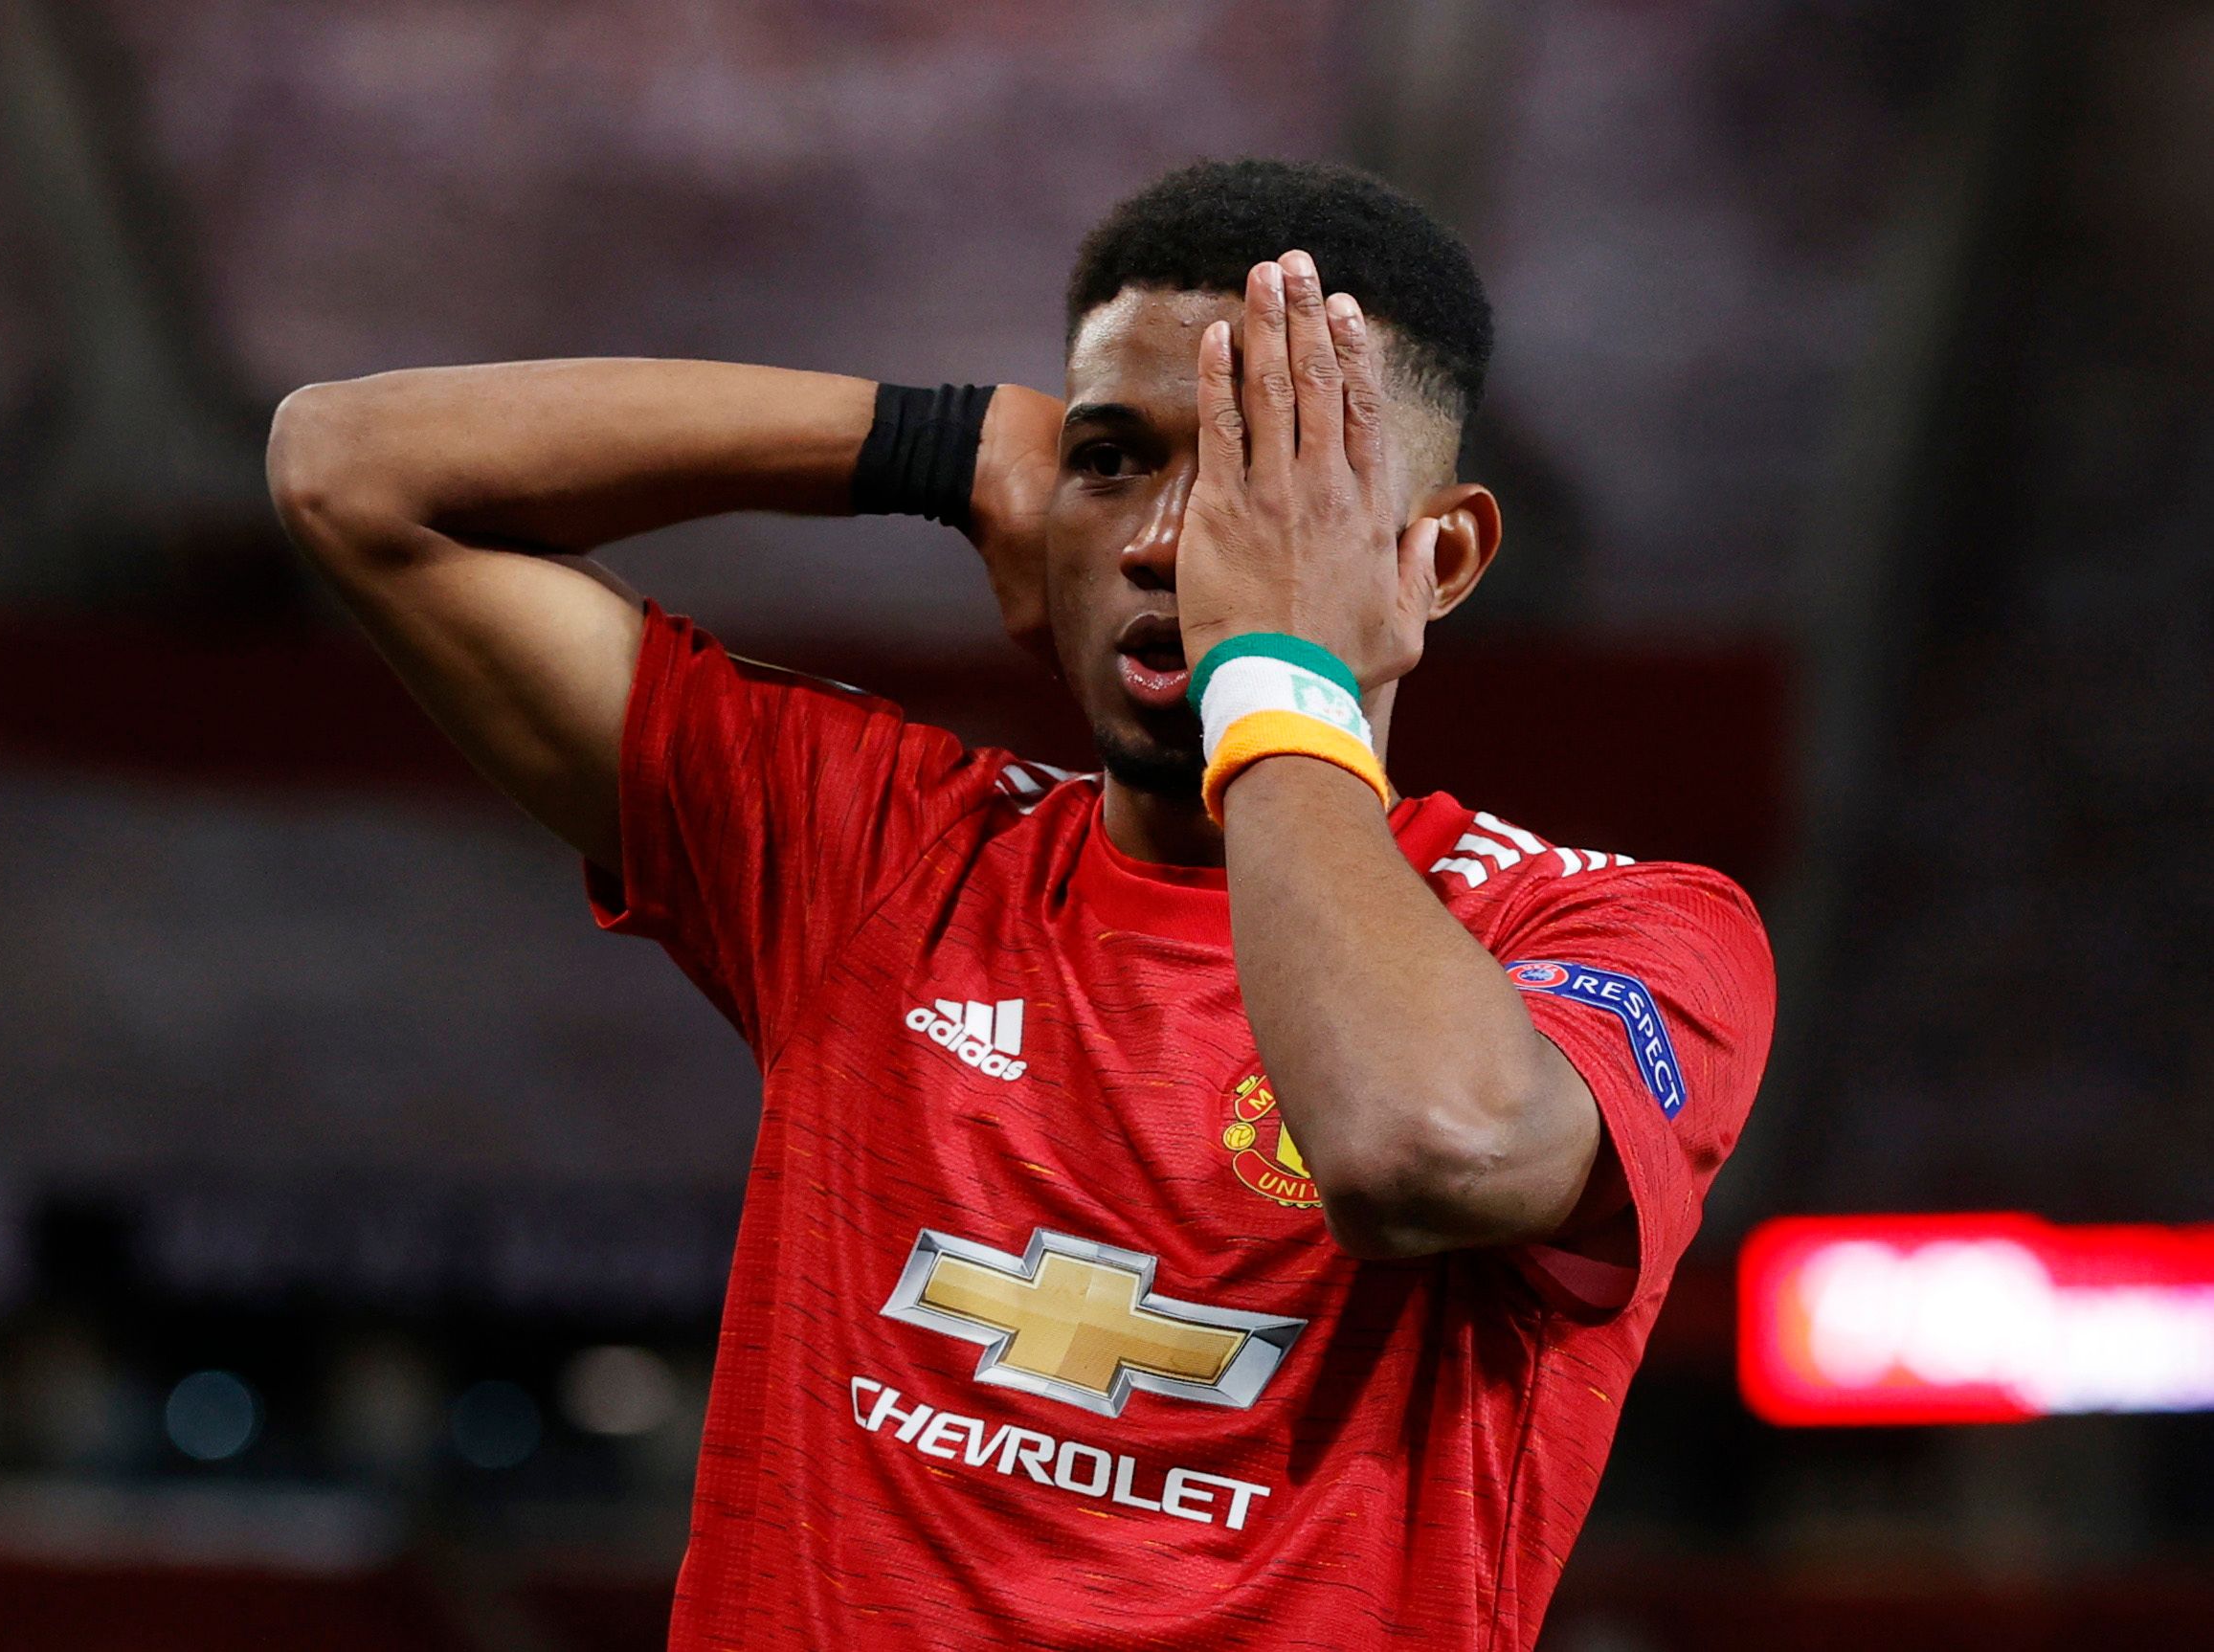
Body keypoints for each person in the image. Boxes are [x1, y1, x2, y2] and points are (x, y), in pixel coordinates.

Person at [267, 158, 1775, 1651]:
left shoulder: (1609, 932)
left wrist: (1273, 670)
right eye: (1112, 460)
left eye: (1266, 479)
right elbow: (353, 467)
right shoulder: (877, 852)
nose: (1167, 541)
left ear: (1433, 559)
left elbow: (1420, 1147)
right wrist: (936, 441)